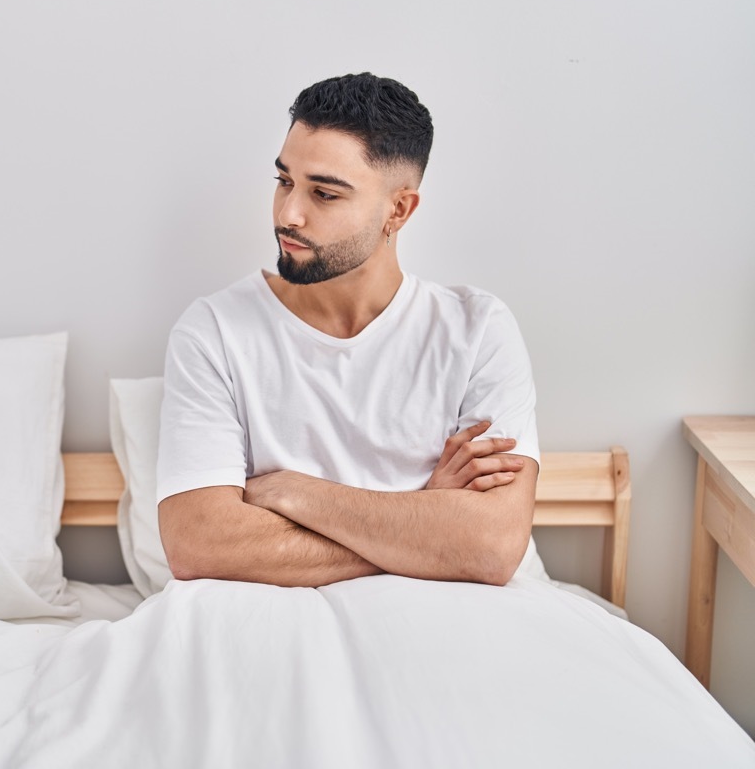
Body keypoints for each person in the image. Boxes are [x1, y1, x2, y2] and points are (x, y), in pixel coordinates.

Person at [156, 72, 540, 588]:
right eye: (284, 181)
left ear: (398, 210)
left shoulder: (477, 331)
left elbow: (492, 547)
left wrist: (299, 492)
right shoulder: (215, 332)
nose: (288, 214)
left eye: (325, 194)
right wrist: (424, 520)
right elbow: (198, 545)